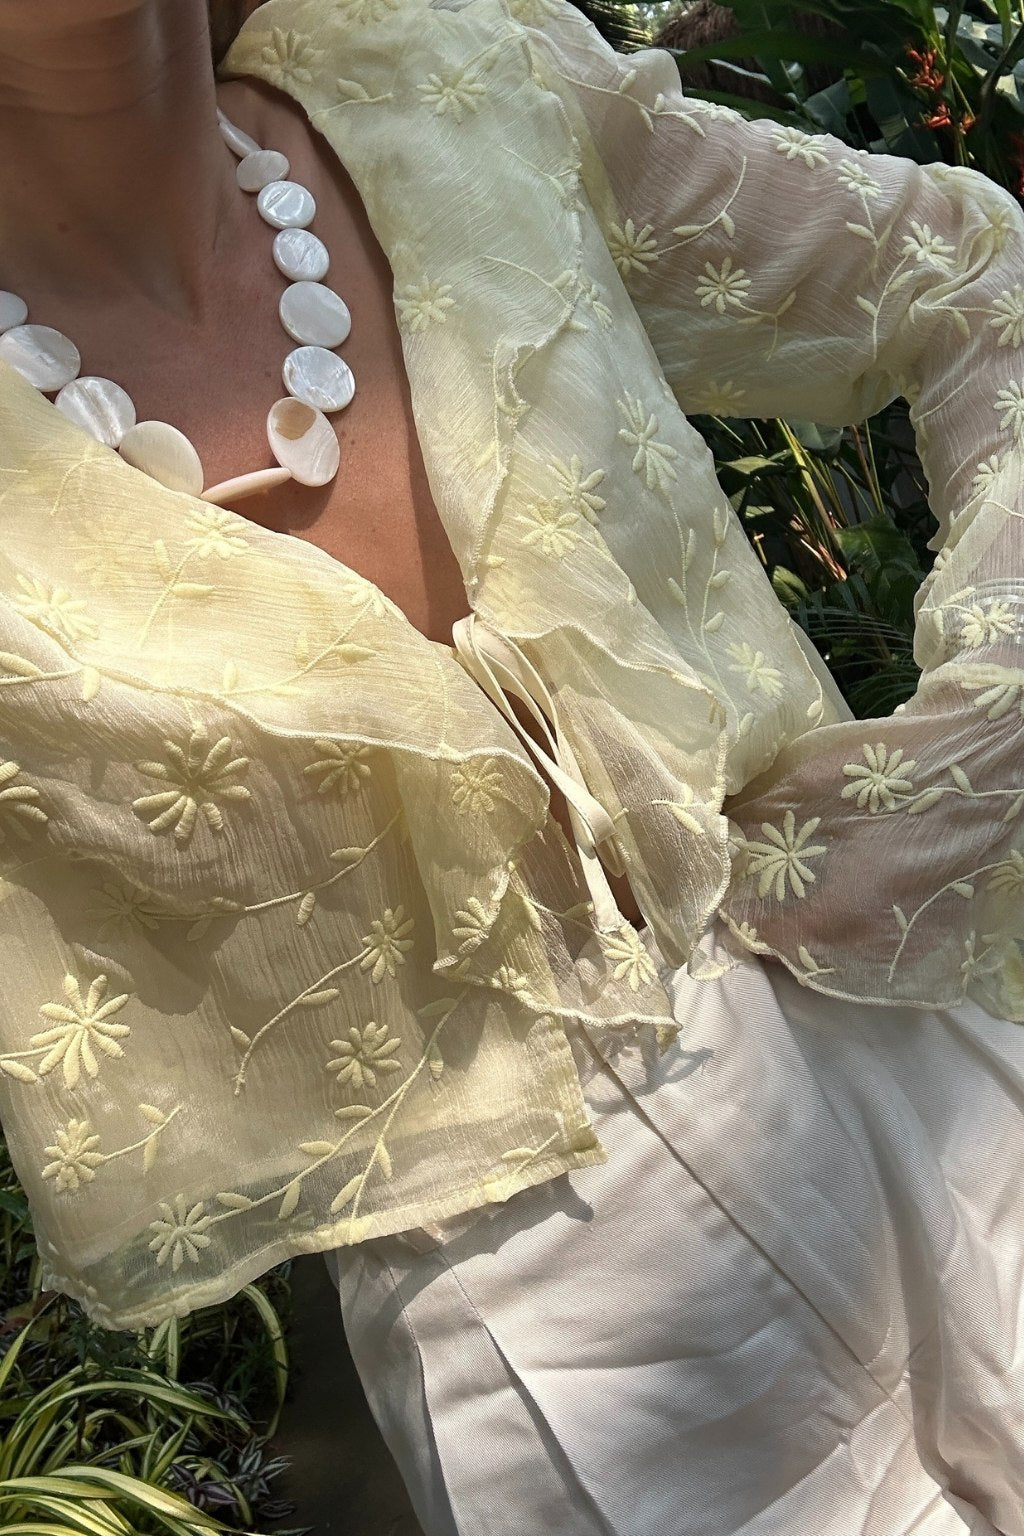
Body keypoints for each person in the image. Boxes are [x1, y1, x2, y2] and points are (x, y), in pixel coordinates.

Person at [0, 0, 1021, 1531]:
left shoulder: (442, 77)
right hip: (579, 1385)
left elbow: (975, 272)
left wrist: (978, 749)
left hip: (948, 1097)